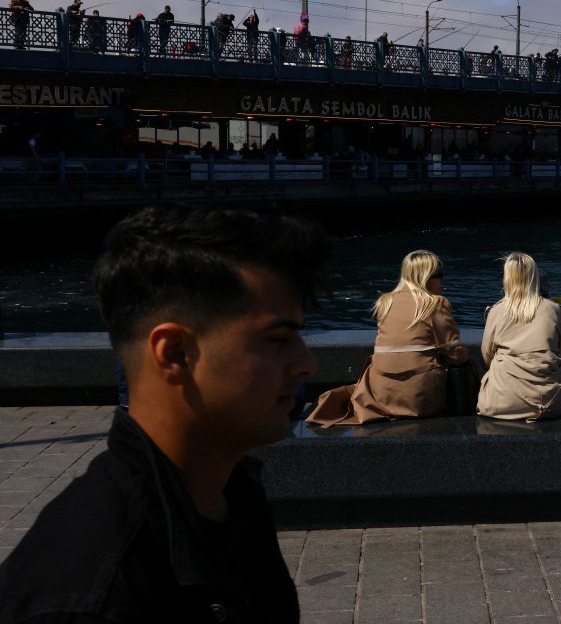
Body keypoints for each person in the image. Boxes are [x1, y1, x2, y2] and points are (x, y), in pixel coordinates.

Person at [0, 204, 329, 622]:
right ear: (175, 353)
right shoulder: (88, 595)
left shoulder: (232, 495)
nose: (306, 363)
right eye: (278, 338)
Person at [306, 250, 468, 424]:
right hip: (420, 400)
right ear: (426, 277)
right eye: (439, 275)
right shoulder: (435, 303)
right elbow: (454, 353)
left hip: (381, 395)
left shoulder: (385, 302)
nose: (443, 279)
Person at [478, 252, 561, 421]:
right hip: (548, 403)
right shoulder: (553, 309)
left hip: (501, 401)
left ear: (507, 278)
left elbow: (487, 355)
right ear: (534, 276)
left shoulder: (496, 311)